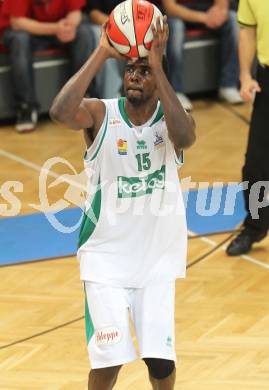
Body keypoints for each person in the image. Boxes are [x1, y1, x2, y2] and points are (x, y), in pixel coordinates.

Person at [50, 15, 195, 390]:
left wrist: (159, 68)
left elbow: (187, 136)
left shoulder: (171, 120)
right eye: (131, 69)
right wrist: (101, 52)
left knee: (160, 364)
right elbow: (60, 111)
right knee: (108, 364)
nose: (135, 75)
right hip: (106, 261)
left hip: (156, 261)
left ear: (158, 78)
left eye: (144, 71)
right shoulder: (101, 114)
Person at [1, 0, 94, 133]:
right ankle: (26, 108)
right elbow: (17, 23)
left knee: (84, 33)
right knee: (20, 40)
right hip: (26, 32)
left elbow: (75, 13)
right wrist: (56, 28)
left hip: (59, 30)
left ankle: (80, 100)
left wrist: (69, 27)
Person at [226, 0, 269, 256]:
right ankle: (255, 226)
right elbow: (247, 31)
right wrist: (245, 75)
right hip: (267, 78)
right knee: (255, 162)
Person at [162, 0, 243, 111]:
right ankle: (176, 91)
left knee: (233, 20)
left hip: (209, 10)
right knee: (175, 27)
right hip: (179, 14)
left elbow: (222, 6)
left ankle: (228, 84)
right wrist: (204, 18)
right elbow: (170, 8)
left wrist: (222, 11)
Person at [85, 0, 163, 99]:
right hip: (113, 27)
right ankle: (111, 97)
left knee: (158, 35)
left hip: (140, 28)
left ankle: (158, 96)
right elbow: (93, 13)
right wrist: (122, 27)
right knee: (100, 38)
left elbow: (150, 10)